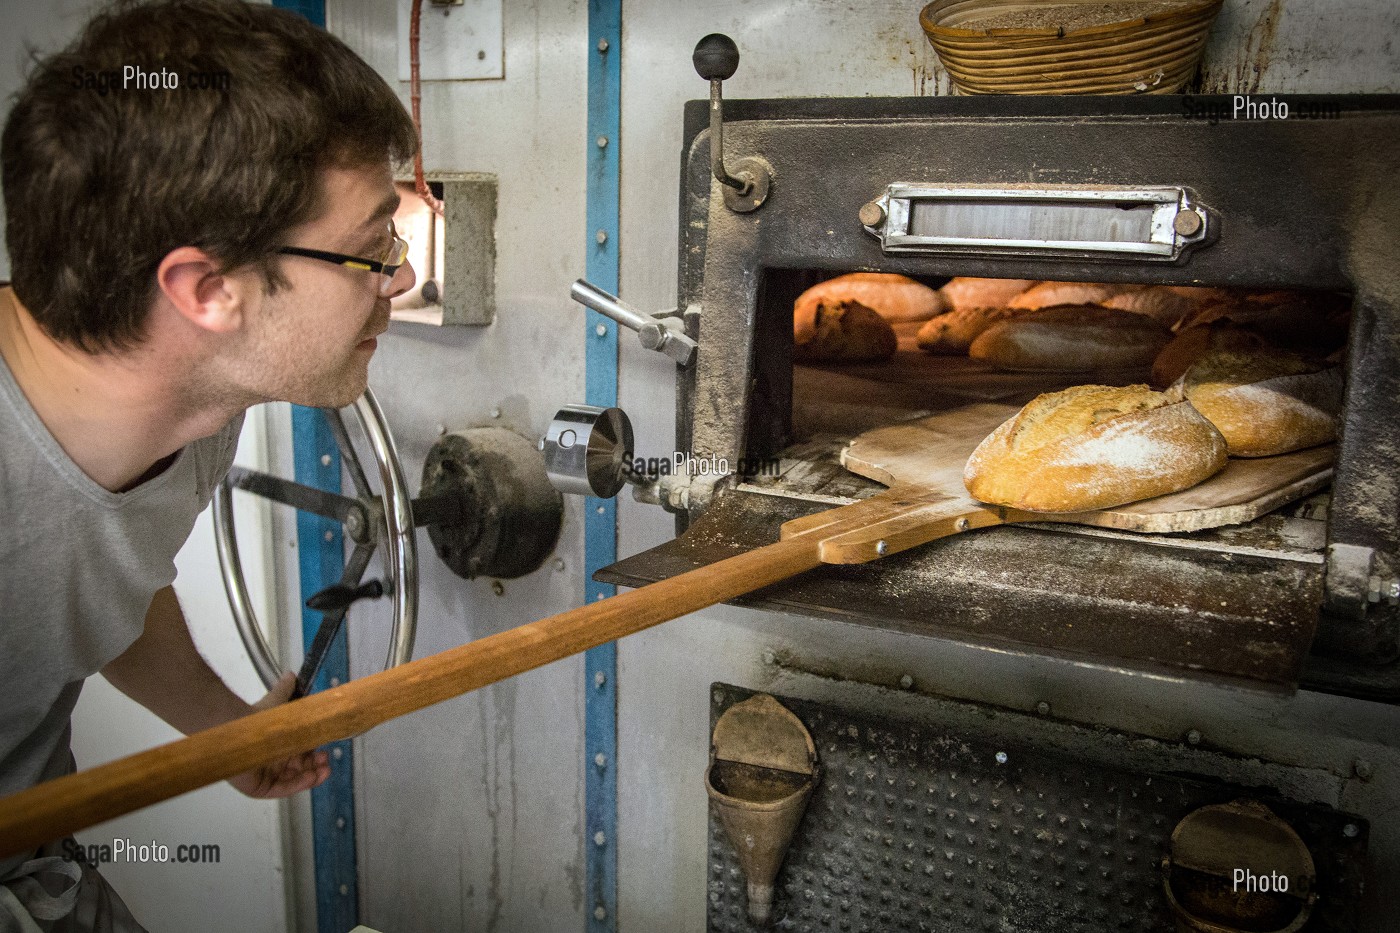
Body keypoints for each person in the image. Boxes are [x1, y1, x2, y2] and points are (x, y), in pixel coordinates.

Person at [0, 1, 418, 928]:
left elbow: (104, 575)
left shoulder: (195, 400)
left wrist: (221, 730)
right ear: (207, 290)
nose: (402, 278)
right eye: (370, 249)